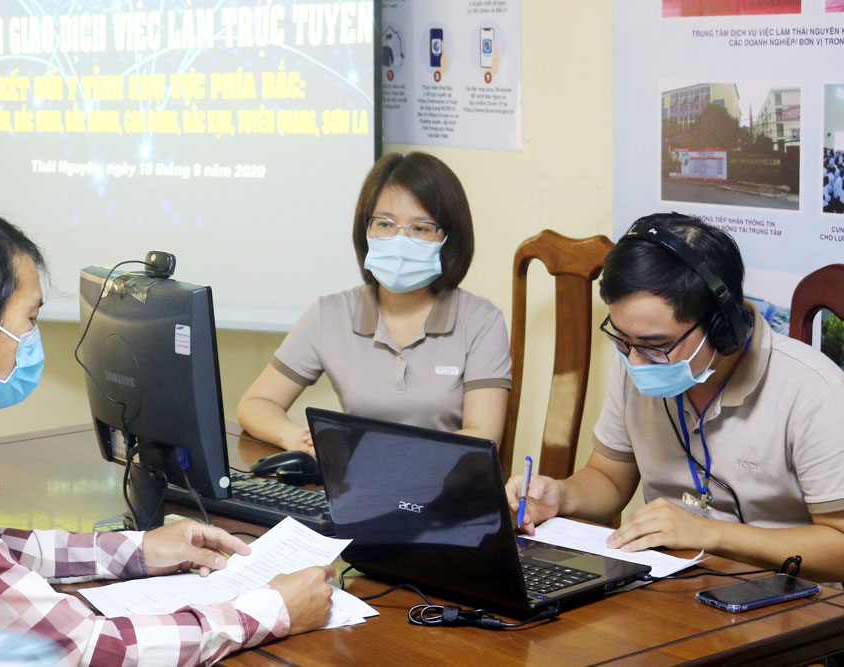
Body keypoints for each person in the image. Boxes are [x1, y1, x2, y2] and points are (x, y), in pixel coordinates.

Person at [0, 197, 334, 664]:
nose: (31, 341)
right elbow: (84, 648)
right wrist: (269, 611)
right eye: (29, 320)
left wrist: (136, 550)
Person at [506, 212, 844, 583]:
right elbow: (608, 477)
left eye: (657, 346)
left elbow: (839, 547)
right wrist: (561, 496)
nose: (634, 361)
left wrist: (707, 533)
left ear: (721, 326)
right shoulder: (637, 361)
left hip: (791, 610)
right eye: (622, 339)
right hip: (677, 588)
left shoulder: (814, 391)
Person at [237, 152, 512, 456]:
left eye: (420, 228)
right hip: (354, 490)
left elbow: (483, 435)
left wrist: (388, 460)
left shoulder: (481, 320)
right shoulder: (330, 314)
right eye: (384, 224)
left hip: (444, 489)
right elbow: (255, 404)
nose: (399, 239)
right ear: (365, 230)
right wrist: (295, 438)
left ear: (448, 239)